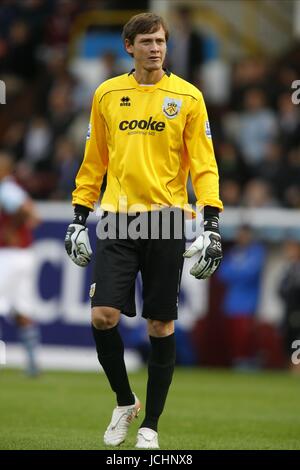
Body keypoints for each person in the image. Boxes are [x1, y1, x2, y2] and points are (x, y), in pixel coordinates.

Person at [65, 13, 223, 449]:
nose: (156, 48)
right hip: (117, 218)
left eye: (161, 41)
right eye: (147, 41)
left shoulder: (188, 98)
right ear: (129, 46)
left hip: (168, 220)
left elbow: (205, 167)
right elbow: (93, 160)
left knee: (160, 325)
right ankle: (124, 401)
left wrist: (210, 224)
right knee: (102, 316)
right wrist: (79, 217)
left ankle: (150, 427)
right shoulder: (108, 94)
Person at [0, 151, 40, 377]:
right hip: (23, 255)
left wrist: (10, 229)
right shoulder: (12, 187)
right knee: (21, 310)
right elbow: (33, 215)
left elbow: (27, 211)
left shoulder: (6, 188)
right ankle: (33, 363)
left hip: (9, 256)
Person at [217, 225, 266, 369]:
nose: (242, 238)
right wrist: (240, 271)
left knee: (246, 338)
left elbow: (252, 273)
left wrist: (235, 272)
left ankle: (249, 364)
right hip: (231, 304)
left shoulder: (257, 252)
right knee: (232, 339)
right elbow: (222, 274)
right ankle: (237, 363)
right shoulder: (233, 252)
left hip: (248, 304)